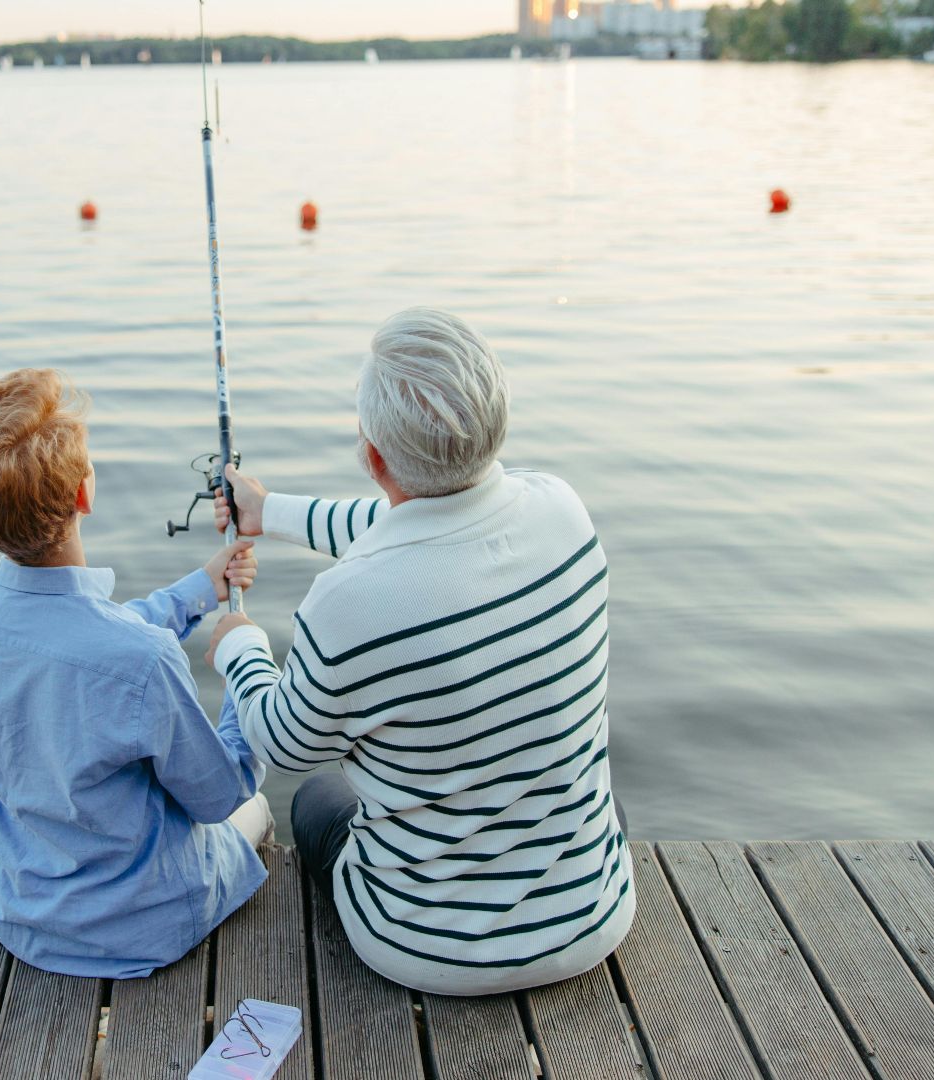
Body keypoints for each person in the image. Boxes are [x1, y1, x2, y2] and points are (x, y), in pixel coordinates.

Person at [205, 309, 633, 996]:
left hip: (427, 949)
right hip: (594, 919)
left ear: (374, 459)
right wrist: (270, 512)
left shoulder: (346, 604)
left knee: (319, 794)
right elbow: (423, 521)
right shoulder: (563, 510)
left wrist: (242, 648)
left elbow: (283, 746)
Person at [0, 368, 271, 979]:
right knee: (258, 807)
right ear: (83, 497)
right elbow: (218, 794)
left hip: (17, 908)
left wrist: (200, 590)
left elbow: (83, 640)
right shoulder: (141, 659)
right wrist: (245, 676)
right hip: (137, 927)